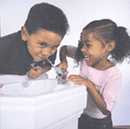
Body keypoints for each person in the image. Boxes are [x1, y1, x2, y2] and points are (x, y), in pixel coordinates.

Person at [58, 19, 130, 129]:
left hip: (100, 123)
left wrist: (89, 84)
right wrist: (64, 62)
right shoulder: (84, 58)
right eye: (82, 44)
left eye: (88, 45)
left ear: (109, 47)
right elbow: (64, 49)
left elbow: (105, 110)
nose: (82, 49)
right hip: (83, 115)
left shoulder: (114, 75)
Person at [0, 2, 69, 87]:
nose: (46, 53)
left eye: (55, 46)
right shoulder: (4, 47)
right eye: (42, 44)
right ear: (25, 34)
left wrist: (41, 70)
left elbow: (48, 65)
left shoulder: (50, 48)